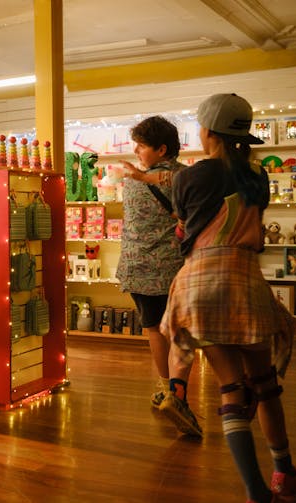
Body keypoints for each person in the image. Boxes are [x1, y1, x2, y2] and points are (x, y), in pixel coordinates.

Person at [159, 94, 296, 503]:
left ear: (207, 131)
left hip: (199, 287)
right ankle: (284, 474)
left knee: (231, 389)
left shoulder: (186, 178)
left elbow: (184, 232)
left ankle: (255, 491)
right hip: (243, 282)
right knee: (265, 385)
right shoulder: (259, 177)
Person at [115, 116, 199, 435]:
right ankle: (177, 393)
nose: (136, 149)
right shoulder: (186, 177)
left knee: (153, 329)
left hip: (138, 267)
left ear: (161, 149)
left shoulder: (134, 181)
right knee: (178, 331)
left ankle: (165, 388)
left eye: (142, 145)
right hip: (175, 267)